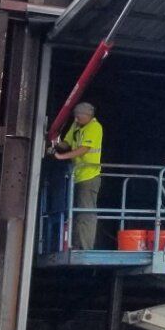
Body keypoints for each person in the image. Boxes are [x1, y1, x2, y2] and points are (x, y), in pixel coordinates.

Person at [50, 101, 104, 249]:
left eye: (78, 116)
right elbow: (67, 143)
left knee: (85, 213)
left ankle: (84, 247)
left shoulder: (95, 127)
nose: (76, 119)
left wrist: (62, 157)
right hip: (77, 176)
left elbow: (83, 149)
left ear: (88, 116)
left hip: (89, 176)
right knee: (76, 213)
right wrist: (55, 143)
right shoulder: (77, 126)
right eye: (75, 116)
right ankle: (75, 244)